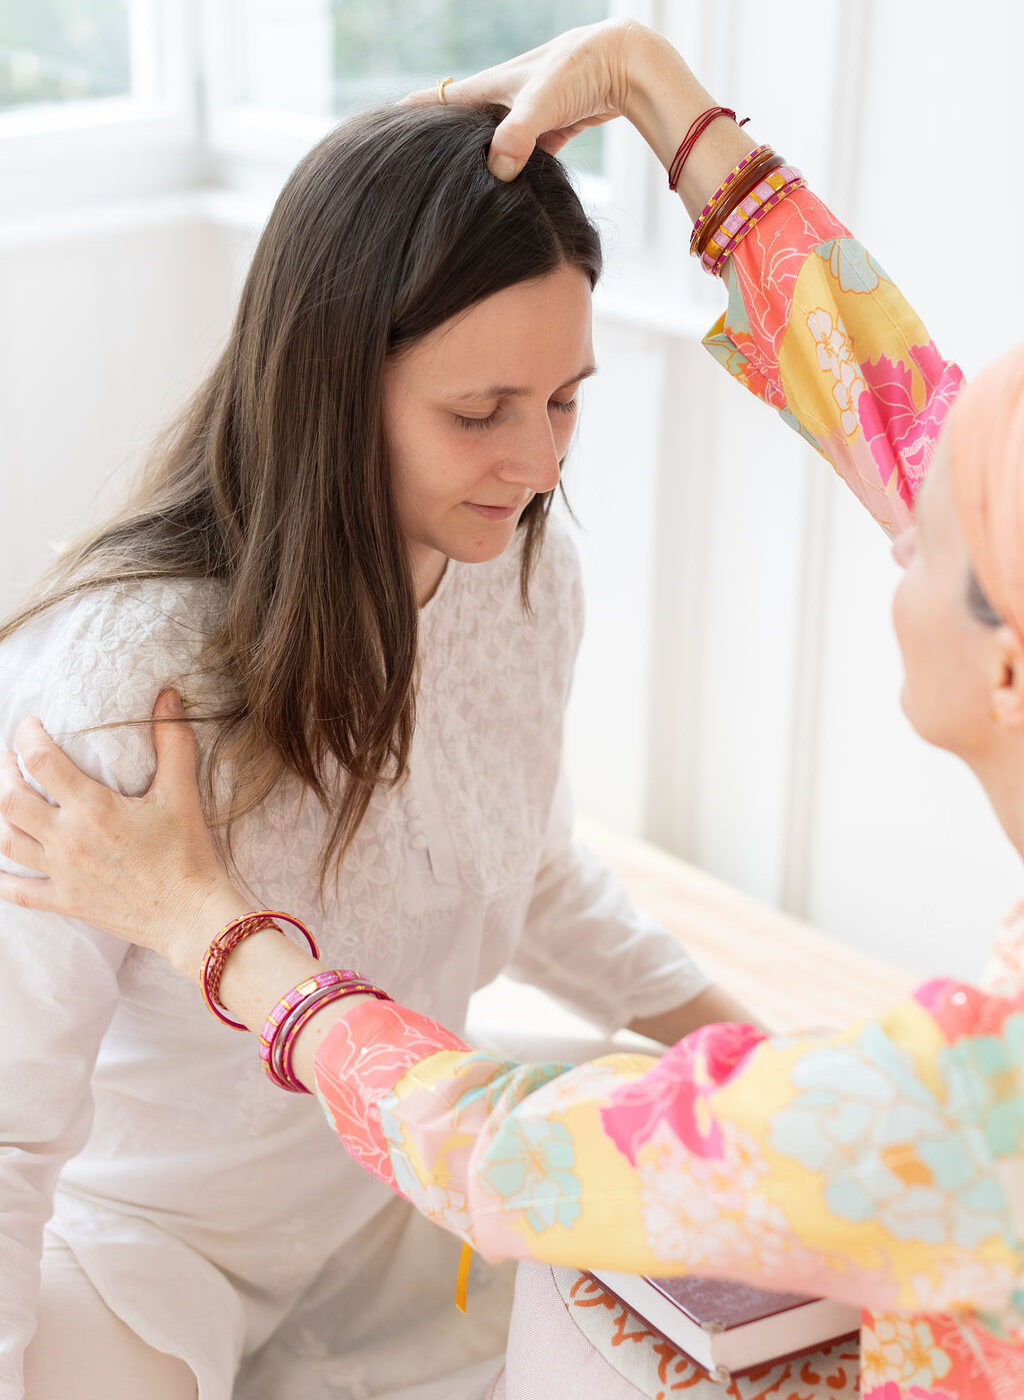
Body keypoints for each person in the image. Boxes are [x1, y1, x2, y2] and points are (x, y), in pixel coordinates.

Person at [2, 17, 1017, 1400]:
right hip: (157, 1253)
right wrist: (667, 100)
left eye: (562, 404)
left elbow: (497, 1142)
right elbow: (910, 425)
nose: (539, 463)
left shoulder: (951, 1109)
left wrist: (207, 927)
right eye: (484, 409)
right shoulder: (121, 693)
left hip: (396, 1196)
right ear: (331, 387)